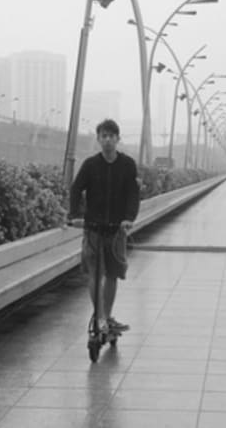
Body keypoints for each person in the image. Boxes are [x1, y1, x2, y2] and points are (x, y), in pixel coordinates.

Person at [67, 118, 140, 333]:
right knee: (95, 273)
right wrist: (74, 215)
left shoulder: (127, 165)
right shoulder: (90, 165)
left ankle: (107, 317)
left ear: (118, 139)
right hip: (93, 228)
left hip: (117, 230)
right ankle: (99, 317)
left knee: (112, 274)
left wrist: (129, 218)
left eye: (111, 136)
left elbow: (133, 194)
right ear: (98, 139)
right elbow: (75, 189)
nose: (107, 140)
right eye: (103, 136)